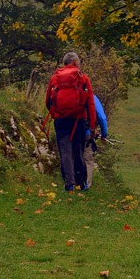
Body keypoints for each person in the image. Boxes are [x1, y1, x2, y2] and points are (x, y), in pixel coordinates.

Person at [44, 52, 97, 191]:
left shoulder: (55, 78)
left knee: (65, 151)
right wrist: (92, 125)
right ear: (75, 62)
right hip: (78, 120)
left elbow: (48, 101)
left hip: (60, 120)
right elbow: (90, 104)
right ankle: (80, 182)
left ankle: (69, 183)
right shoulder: (83, 78)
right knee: (78, 149)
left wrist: (56, 113)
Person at [83, 94, 108, 188]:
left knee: (71, 154)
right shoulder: (91, 97)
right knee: (88, 159)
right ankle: (86, 184)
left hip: (69, 131)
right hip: (86, 132)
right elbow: (101, 117)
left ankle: (70, 181)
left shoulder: (68, 93)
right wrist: (104, 134)